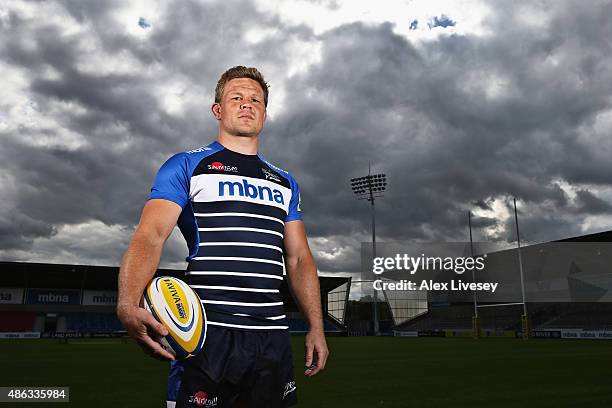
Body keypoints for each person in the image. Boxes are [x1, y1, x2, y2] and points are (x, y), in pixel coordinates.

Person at [117, 66, 328, 408]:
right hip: (206, 334)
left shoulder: (285, 181)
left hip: (272, 337)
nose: (247, 104)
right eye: (237, 98)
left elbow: (300, 258)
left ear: (265, 113)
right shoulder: (187, 164)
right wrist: (127, 303)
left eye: (255, 100)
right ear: (218, 109)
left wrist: (316, 326)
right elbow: (151, 235)